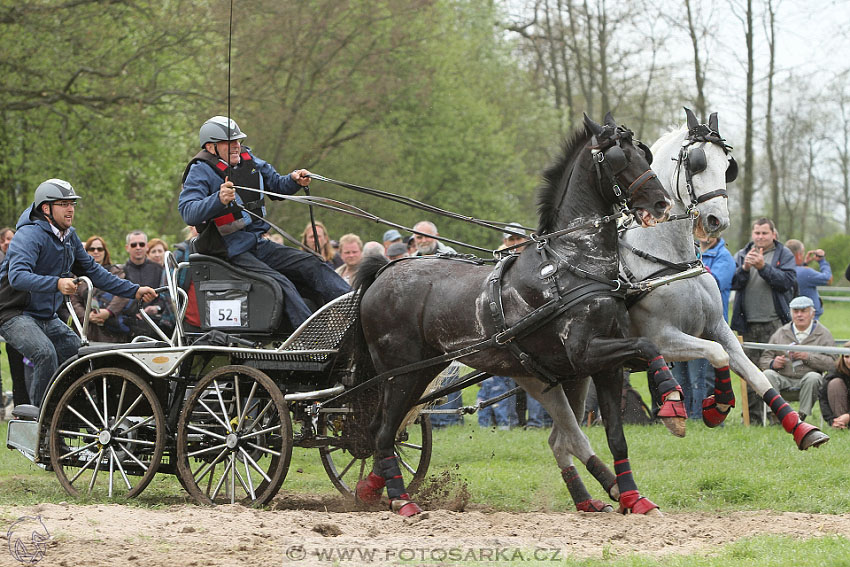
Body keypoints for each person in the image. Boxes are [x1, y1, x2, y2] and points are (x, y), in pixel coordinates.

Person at [179, 115, 350, 329]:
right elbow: (188, 211)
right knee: (279, 284)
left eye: (238, 141)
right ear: (211, 147)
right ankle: (310, 338)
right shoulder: (200, 170)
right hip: (229, 250)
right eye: (229, 143)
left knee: (313, 264)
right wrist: (218, 199)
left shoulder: (249, 160)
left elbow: (277, 186)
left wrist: (293, 180)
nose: (236, 147)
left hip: (258, 242)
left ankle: (354, 307)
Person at [0, 179, 155, 405]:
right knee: (44, 353)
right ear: (46, 208)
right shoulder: (29, 235)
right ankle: (41, 422)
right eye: (63, 203)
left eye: (72, 203)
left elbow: (95, 272)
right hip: (14, 313)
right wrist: (57, 283)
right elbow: (17, 276)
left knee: (78, 354)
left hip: (46, 316)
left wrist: (135, 290)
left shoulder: (69, 237)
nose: (70, 209)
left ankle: (70, 417)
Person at [731, 218, 797, 418]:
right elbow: (733, 283)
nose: (760, 237)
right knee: (749, 371)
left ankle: (776, 417)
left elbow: (787, 282)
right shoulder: (742, 254)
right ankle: (753, 417)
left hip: (776, 323)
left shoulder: (784, 254)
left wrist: (762, 267)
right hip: (747, 324)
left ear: (773, 235)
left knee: (775, 370)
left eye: (764, 233)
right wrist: (744, 269)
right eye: (757, 233)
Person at [672, 235, 736, 419]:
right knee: (681, 377)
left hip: (708, 328)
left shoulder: (724, 257)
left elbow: (711, 283)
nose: (704, 234)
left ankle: (702, 417)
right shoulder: (687, 254)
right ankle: (684, 415)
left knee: (700, 379)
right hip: (682, 325)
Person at [758, 296, 835, 423]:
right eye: (796, 311)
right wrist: (773, 363)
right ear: (791, 313)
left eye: (803, 311)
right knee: (768, 374)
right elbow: (764, 359)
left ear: (812, 313)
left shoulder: (823, 334)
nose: (799, 315)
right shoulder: (781, 332)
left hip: (808, 383)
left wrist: (808, 357)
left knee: (813, 377)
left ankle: (800, 417)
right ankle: (776, 416)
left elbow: (833, 363)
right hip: (783, 379)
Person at [69, 236, 132, 343]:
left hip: (112, 330)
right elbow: (74, 300)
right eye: (92, 249)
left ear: (105, 252)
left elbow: (123, 294)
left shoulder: (116, 272)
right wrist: (87, 316)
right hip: (87, 330)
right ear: (85, 252)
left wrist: (108, 312)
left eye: (100, 249)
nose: (96, 252)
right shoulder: (78, 276)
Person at [122, 230, 173, 339]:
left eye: (141, 244)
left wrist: (157, 307)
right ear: (127, 248)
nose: (138, 247)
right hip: (129, 325)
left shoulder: (159, 269)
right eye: (134, 245)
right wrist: (134, 311)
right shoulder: (121, 271)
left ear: (147, 247)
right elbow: (119, 297)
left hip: (157, 324)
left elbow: (167, 294)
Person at [785, 239, 831, 319]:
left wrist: (804, 263)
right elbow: (828, 279)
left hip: (791, 315)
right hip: (809, 318)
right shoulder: (805, 272)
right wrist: (822, 261)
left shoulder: (782, 270)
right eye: (802, 253)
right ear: (799, 255)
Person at [819, 342, 850, 429]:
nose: (849, 361)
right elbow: (823, 397)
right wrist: (831, 420)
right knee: (834, 383)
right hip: (842, 412)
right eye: (846, 357)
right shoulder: (835, 370)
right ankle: (840, 424)